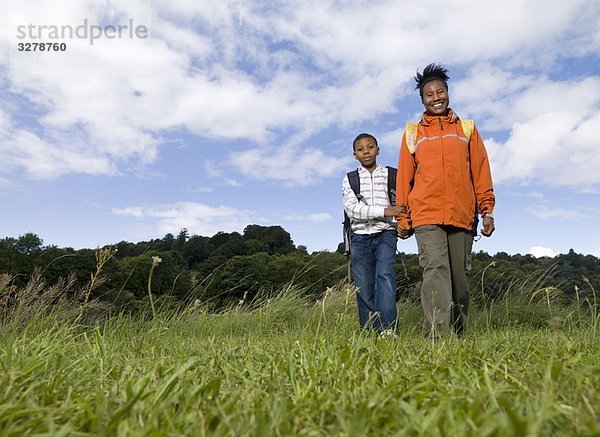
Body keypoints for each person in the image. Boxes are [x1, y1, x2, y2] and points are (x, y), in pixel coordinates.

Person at [395, 63, 496, 338]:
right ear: (422, 100)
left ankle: (459, 334)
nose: (436, 97)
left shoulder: (467, 129)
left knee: (459, 282)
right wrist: (403, 217)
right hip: (426, 215)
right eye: (429, 94)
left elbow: (481, 171)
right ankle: (438, 337)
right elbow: (404, 178)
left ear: (448, 93)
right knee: (435, 273)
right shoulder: (413, 133)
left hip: (462, 214)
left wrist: (486, 210)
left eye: (440, 91)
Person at [343, 133, 405, 335]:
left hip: (386, 234)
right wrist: (385, 212)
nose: (366, 151)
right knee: (364, 286)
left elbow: (402, 204)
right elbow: (353, 210)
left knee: (385, 276)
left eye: (370, 147)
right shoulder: (350, 179)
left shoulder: (393, 174)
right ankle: (370, 332)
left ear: (378, 150)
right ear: (355, 155)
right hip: (359, 238)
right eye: (360, 149)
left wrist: (401, 222)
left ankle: (388, 331)